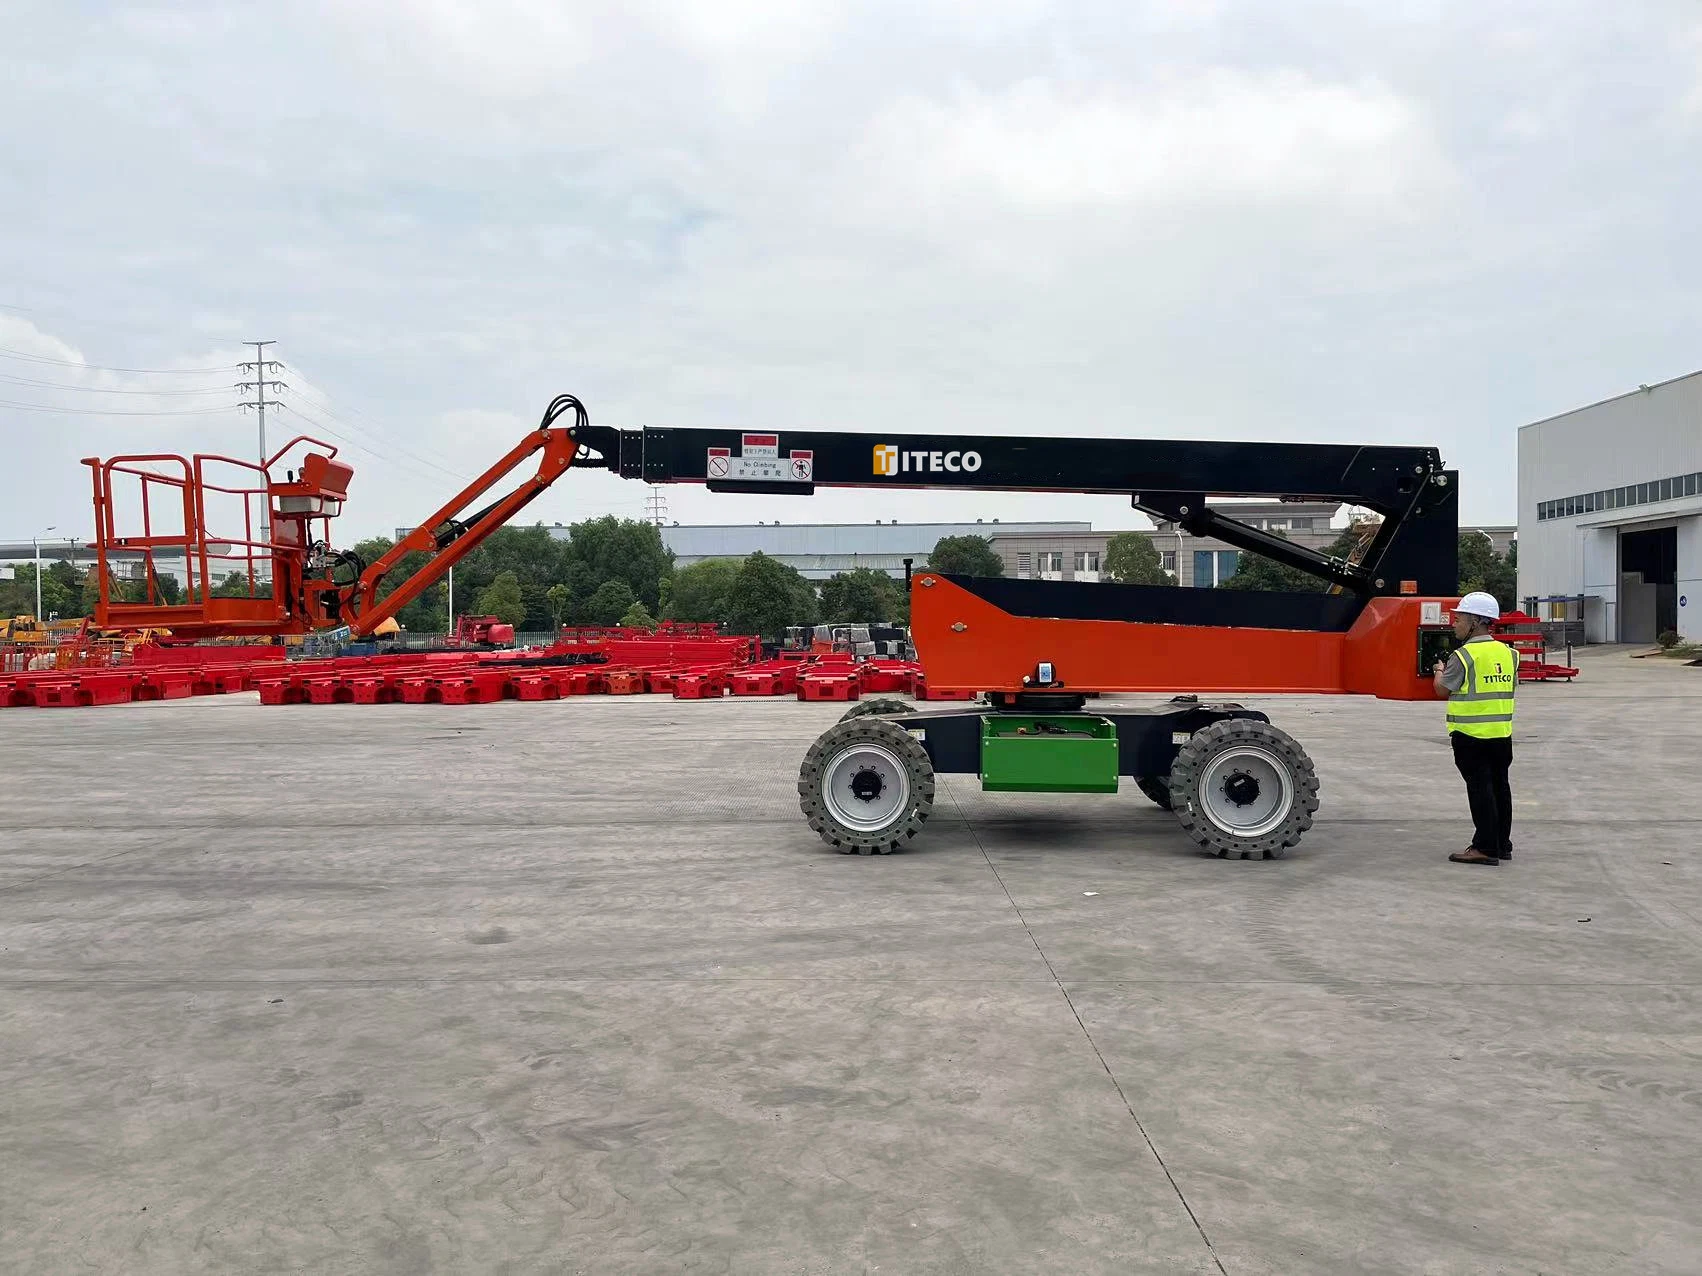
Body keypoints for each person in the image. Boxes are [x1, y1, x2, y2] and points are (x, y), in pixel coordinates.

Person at [1432, 591, 1517, 866]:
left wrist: (1438, 671)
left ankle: (1484, 848)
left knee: (1480, 790)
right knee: (1500, 788)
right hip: (1502, 735)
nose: (1454, 624)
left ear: (1475, 622)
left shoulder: (1464, 656)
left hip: (1471, 736)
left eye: (1459, 619)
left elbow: (1442, 690)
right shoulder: (1509, 653)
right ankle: (1502, 844)